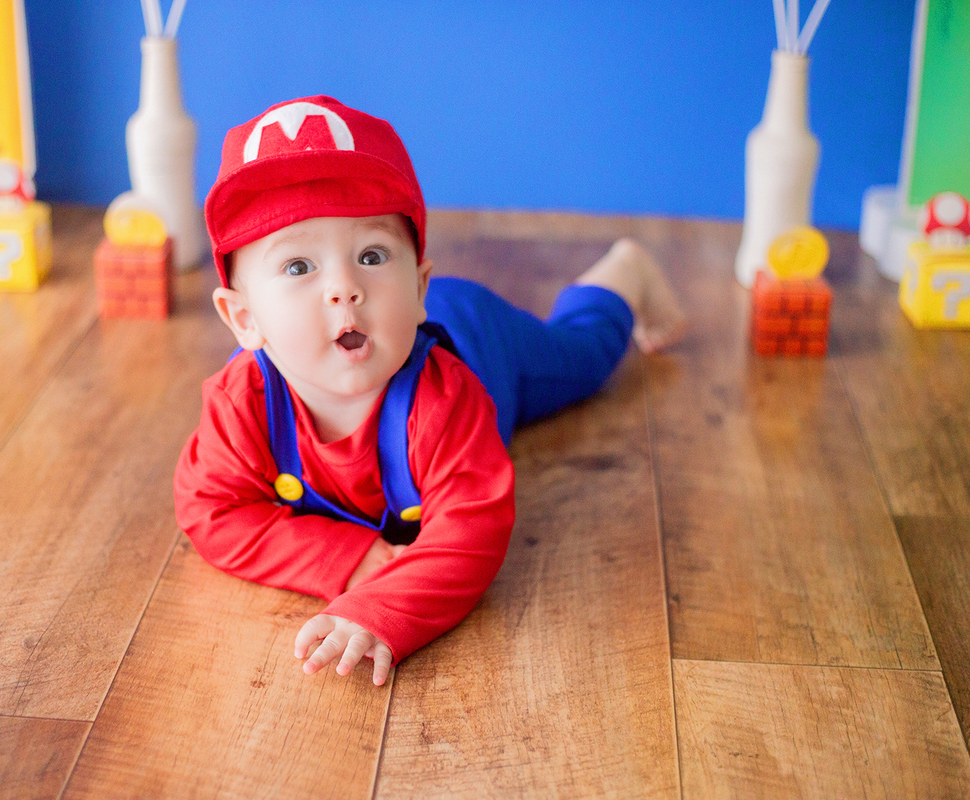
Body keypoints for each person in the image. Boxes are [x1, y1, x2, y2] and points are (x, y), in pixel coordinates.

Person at [173, 96, 685, 686]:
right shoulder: (242, 404)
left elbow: (471, 533)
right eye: (297, 267)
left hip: (482, 338)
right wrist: (347, 556)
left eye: (371, 255)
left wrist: (381, 607)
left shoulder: (445, 401)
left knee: (584, 359)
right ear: (243, 319)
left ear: (417, 287)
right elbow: (208, 508)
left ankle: (623, 273)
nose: (344, 287)